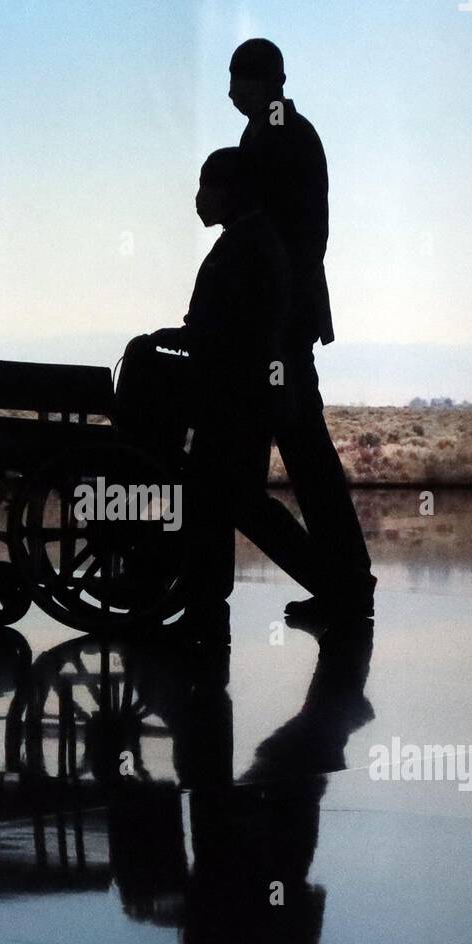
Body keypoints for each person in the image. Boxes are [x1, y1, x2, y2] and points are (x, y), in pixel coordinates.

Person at [144, 147, 332, 644]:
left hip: (235, 399)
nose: (198, 200)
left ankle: (332, 589)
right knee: (231, 502)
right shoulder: (250, 240)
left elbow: (227, 333)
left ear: (230, 193)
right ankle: (212, 605)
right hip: (241, 394)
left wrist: (164, 342)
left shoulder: (245, 247)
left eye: (206, 189)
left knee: (234, 501)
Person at [229, 38, 375, 621]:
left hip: (276, 325)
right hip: (283, 322)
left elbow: (275, 240)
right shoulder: (283, 132)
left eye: (238, 78)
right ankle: (344, 583)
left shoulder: (276, 136)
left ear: (263, 81)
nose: (231, 91)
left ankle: (340, 583)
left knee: (287, 465)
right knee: (309, 460)